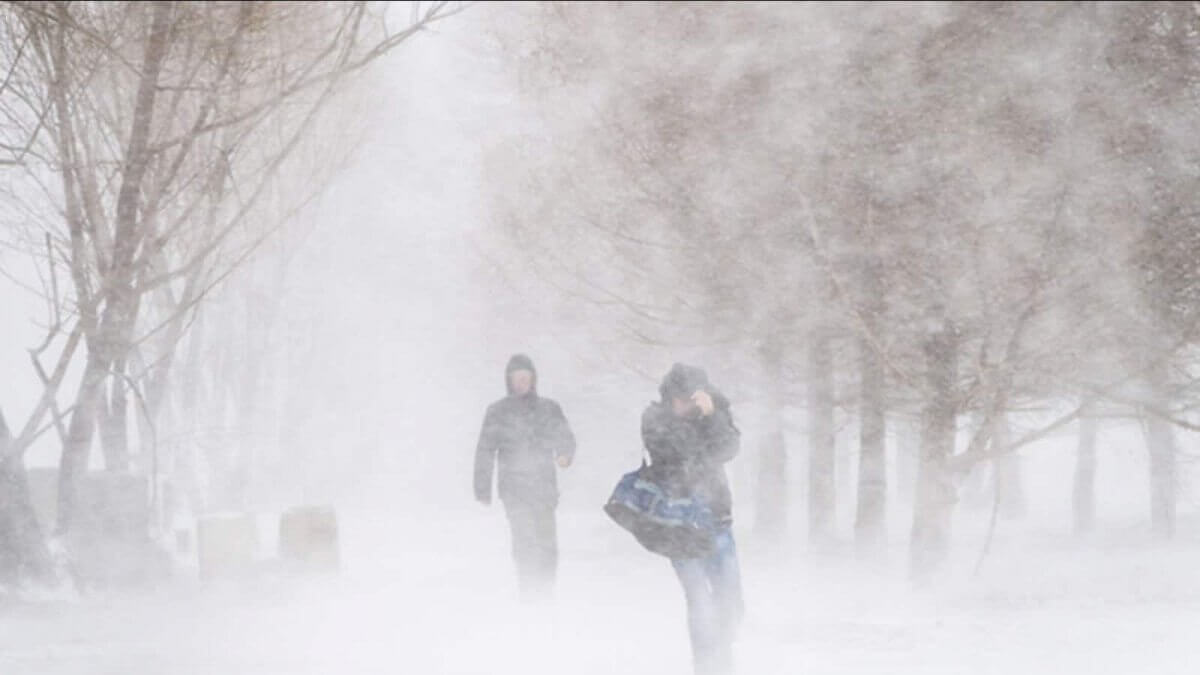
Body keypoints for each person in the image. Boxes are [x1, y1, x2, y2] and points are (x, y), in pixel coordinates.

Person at [642, 363, 743, 675]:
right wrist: (702, 427)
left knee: (731, 603)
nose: (686, 405)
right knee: (700, 601)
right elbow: (679, 454)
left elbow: (727, 449)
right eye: (681, 399)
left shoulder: (715, 414)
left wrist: (712, 417)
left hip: (716, 518)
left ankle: (722, 662)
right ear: (670, 397)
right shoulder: (655, 418)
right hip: (679, 524)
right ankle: (706, 667)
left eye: (692, 398)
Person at [474, 354, 576, 600]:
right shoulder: (497, 412)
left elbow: (566, 437)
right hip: (514, 489)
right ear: (508, 381)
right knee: (524, 541)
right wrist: (482, 488)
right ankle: (529, 591)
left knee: (546, 543)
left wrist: (564, 454)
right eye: (516, 378)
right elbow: (485, 449)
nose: (521, 382)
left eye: (525, 377)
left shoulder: (548, 409)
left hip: (543, 488)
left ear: (533, 380)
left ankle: (546, 590)